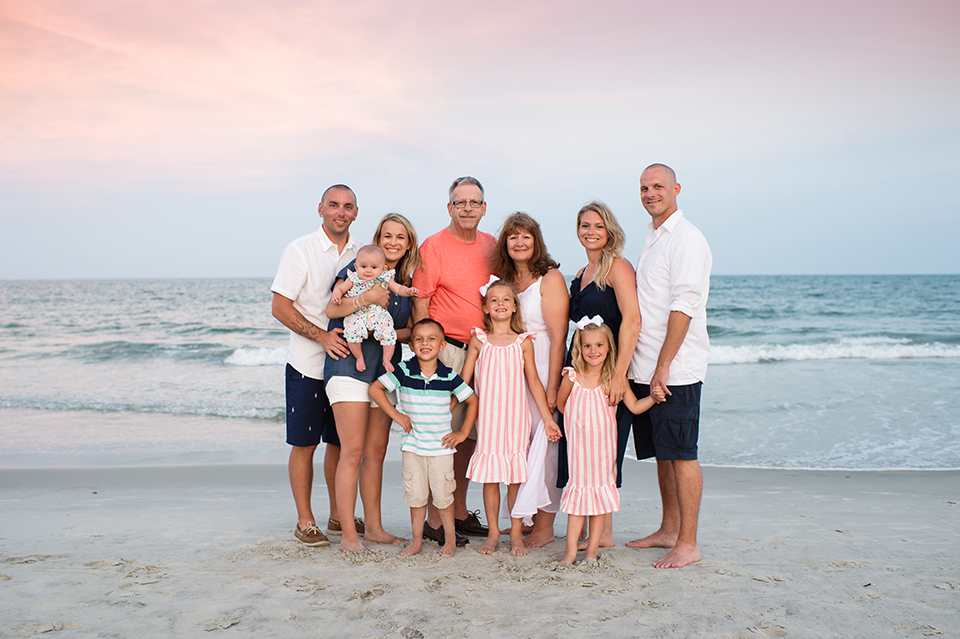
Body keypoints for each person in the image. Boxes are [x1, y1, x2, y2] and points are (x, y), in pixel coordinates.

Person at [625, 163, 712, 569]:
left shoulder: (686, 238)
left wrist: (663, 366)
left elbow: (684, 305)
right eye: (644, 188)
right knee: (664, 454)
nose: (650, 194)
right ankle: (668, 530)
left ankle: (688, 543)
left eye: (658, 186)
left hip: (676, 371)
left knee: (682, 455)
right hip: (647, 368)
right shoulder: (654, 237)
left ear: (676, 189)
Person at [322, 213, 421, 552]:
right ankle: (349, 535)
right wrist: (367, 301)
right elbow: (332, 311)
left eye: (400, 237)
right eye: (387, 235)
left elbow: (410, 331)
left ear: (408, 244)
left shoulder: (403, 282)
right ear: (378, 239)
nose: (393, 242)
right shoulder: (359, 268)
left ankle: (375, 529)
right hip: (347, 367)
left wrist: (384, 331)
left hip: (384, 373)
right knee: (352, 452)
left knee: (376, 453)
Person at [270, 184, 361, 548]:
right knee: (305, 444)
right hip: (307, 365)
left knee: (339, 444)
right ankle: (305, 521)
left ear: (356, 213)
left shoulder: (362, 252)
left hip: (347, 368)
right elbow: (280, 307)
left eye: (348, 206)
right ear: (320, 209)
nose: (341, 212)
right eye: (334, 205)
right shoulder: (300, 250)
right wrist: (322, 337)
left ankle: (339, 515)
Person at [446, 280, 561, 556]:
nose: (500, 304)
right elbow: (464, 381)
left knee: (514, 479)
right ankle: (494, 533)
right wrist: (447, 407)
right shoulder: (479, 340)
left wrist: (547, 419)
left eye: (506, 299)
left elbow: (534, 383)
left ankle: (517, 533)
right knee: (491, 479)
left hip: (516, 420)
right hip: (489, 421)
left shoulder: (523, 342)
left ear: (514, 307)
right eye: (494, 299)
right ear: (486, 308)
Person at [411, 176, 497, 546]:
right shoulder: (433, 246)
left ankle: (458, 512)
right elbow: (420, 302)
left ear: (484, 208)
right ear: (449, 207)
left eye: (474, 202)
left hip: (484, 351)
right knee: (441, 435)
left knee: (468, 437)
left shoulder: (491, 245)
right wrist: (427, 354)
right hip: (446, 351)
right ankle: (434, 520)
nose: (467, 208)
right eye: (460, 202)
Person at [559, 201, 641, 548]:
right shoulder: (581, 274)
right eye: (585, 226)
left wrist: (619, 373)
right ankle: (591, 529)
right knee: (581, 450)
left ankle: (603, 533)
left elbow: (632, 320)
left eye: (598, 226)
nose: (590, 232)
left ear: (610, 231)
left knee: (607, 450)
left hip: (609, 368)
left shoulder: (618, 267)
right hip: (580, 366)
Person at [489, 212, 568, 547]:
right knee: (518, 445)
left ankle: (545, 526)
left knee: (546, 447)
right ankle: (523, 517)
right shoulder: (502, 281)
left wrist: (552, 387)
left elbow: (559, 337)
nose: (519, 243)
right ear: (505, 243)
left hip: (543, 362)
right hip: (511, 371)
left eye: (526, 236)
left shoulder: (549, 278)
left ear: (536, 241)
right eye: (513, 237)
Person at [369, 319, 479, 557]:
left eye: (431, 339)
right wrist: (396, 415)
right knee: (416, 497)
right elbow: (375, 389)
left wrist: (462, 433)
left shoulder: (449, 375)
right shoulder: (404, 371)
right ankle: (417, 541)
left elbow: (472, 400)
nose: (425, 343)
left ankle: (450, 540)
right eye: (419, 339)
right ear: (411, 345)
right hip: (413, 447)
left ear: (442, 345)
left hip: (441, 449)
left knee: (444, 497)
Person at [558, 318, 659, 564]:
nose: (593, 351)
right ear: (579, 348)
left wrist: (654, 398)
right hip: (578, 453)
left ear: (609, 347)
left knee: (598, 501)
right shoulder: (572, 376)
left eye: (599, 345)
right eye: (587, 346)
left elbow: (634, 407)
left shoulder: (613, 379)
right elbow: (562, 406)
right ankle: (570, 552)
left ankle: (592, 550)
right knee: (577, 501)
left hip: (603, 453)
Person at [329, 244, 419, 373]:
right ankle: (359, 357)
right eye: (363, 266)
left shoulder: (385, 277)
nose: (368, 271)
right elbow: (340, 288)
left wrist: (408, 291)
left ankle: (386, 359)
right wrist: (336, 296)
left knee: (389, 332)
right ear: (356, 267)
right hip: (356, 313)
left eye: (374, 267)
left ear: (383, 269)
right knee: (351, 332)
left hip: (378, 313)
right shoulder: (353, 278)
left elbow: (398, 288)